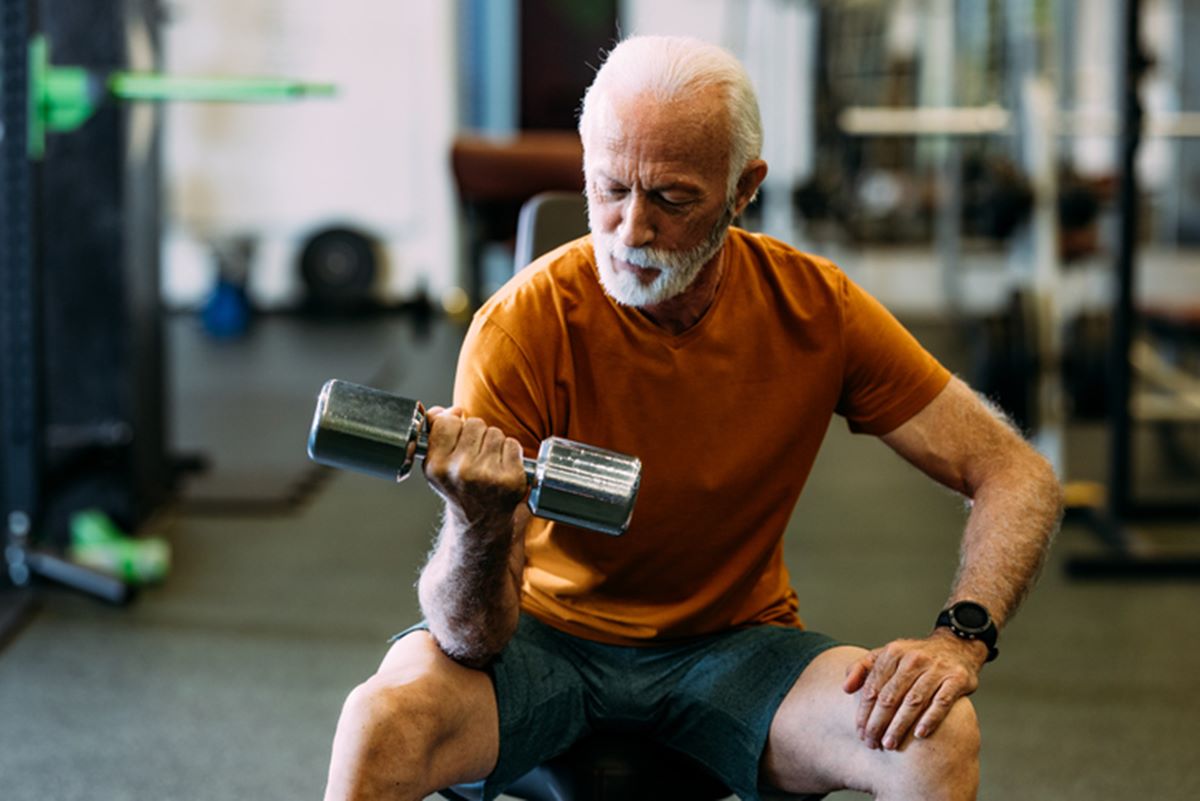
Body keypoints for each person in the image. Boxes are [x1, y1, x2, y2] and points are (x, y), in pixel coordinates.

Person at [323, 36, 1062, 801]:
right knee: (381, 722)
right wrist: (478, 522)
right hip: (541, 640)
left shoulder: (814, 307)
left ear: (744, 189)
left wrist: (960, 639)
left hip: (737, 648)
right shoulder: (523, 324)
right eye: (609, 189)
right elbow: (472, 635)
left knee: (934, 740)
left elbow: (1016, 470)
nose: (631, 229)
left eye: (672, 199)